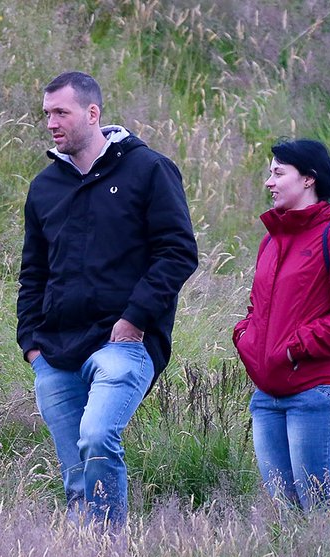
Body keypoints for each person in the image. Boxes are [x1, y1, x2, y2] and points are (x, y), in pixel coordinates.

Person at [16, 71, 198, 526]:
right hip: (55, 351)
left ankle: (109, 544)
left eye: (61, 112)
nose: (51, 123)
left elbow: (178, 252)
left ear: (92, 113)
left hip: (124, 343)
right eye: (47, 114)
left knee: (97, 438)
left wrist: (135, 319)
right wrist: (31, 345)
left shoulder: (148, 169)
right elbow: (33, 271)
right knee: (76, 475)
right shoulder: (45, 187)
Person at [233, 138, 330, 510]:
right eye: (270, 173)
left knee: (319, 515)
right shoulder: (272, 240)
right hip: (267, 396)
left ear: (308, 179)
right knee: (285, 514)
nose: (269, 182)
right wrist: (246, 337)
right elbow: (258, 307)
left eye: (279, 173)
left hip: (320, 392)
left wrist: (295, 348)